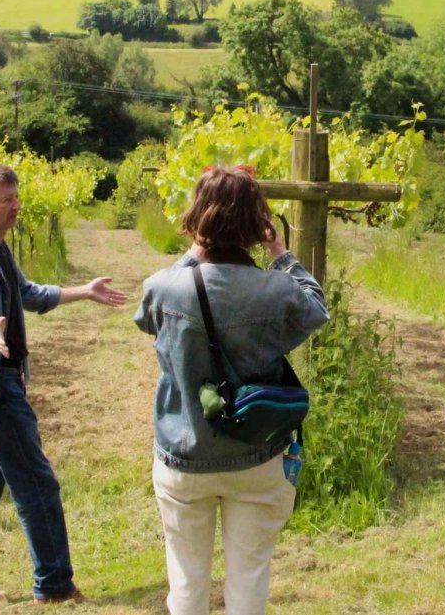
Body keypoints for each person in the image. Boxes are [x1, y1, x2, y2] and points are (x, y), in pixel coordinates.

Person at [135, 165, 328, 615]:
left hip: (184, 455)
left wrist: (193, 251)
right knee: (249, 577)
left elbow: (145, 318)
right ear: (257, 223)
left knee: (185, 579)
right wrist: (281, 254)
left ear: (197, 218)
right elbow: (316, 309)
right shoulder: (274, 289)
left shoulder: (165, 288)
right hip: (258, 454)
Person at [0, 162, 127, 606]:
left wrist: (84, 291)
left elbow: (28, 294)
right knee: (36, 484)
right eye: (7, 200)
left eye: (16, 198)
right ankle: (55, 585)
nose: (16, 207)